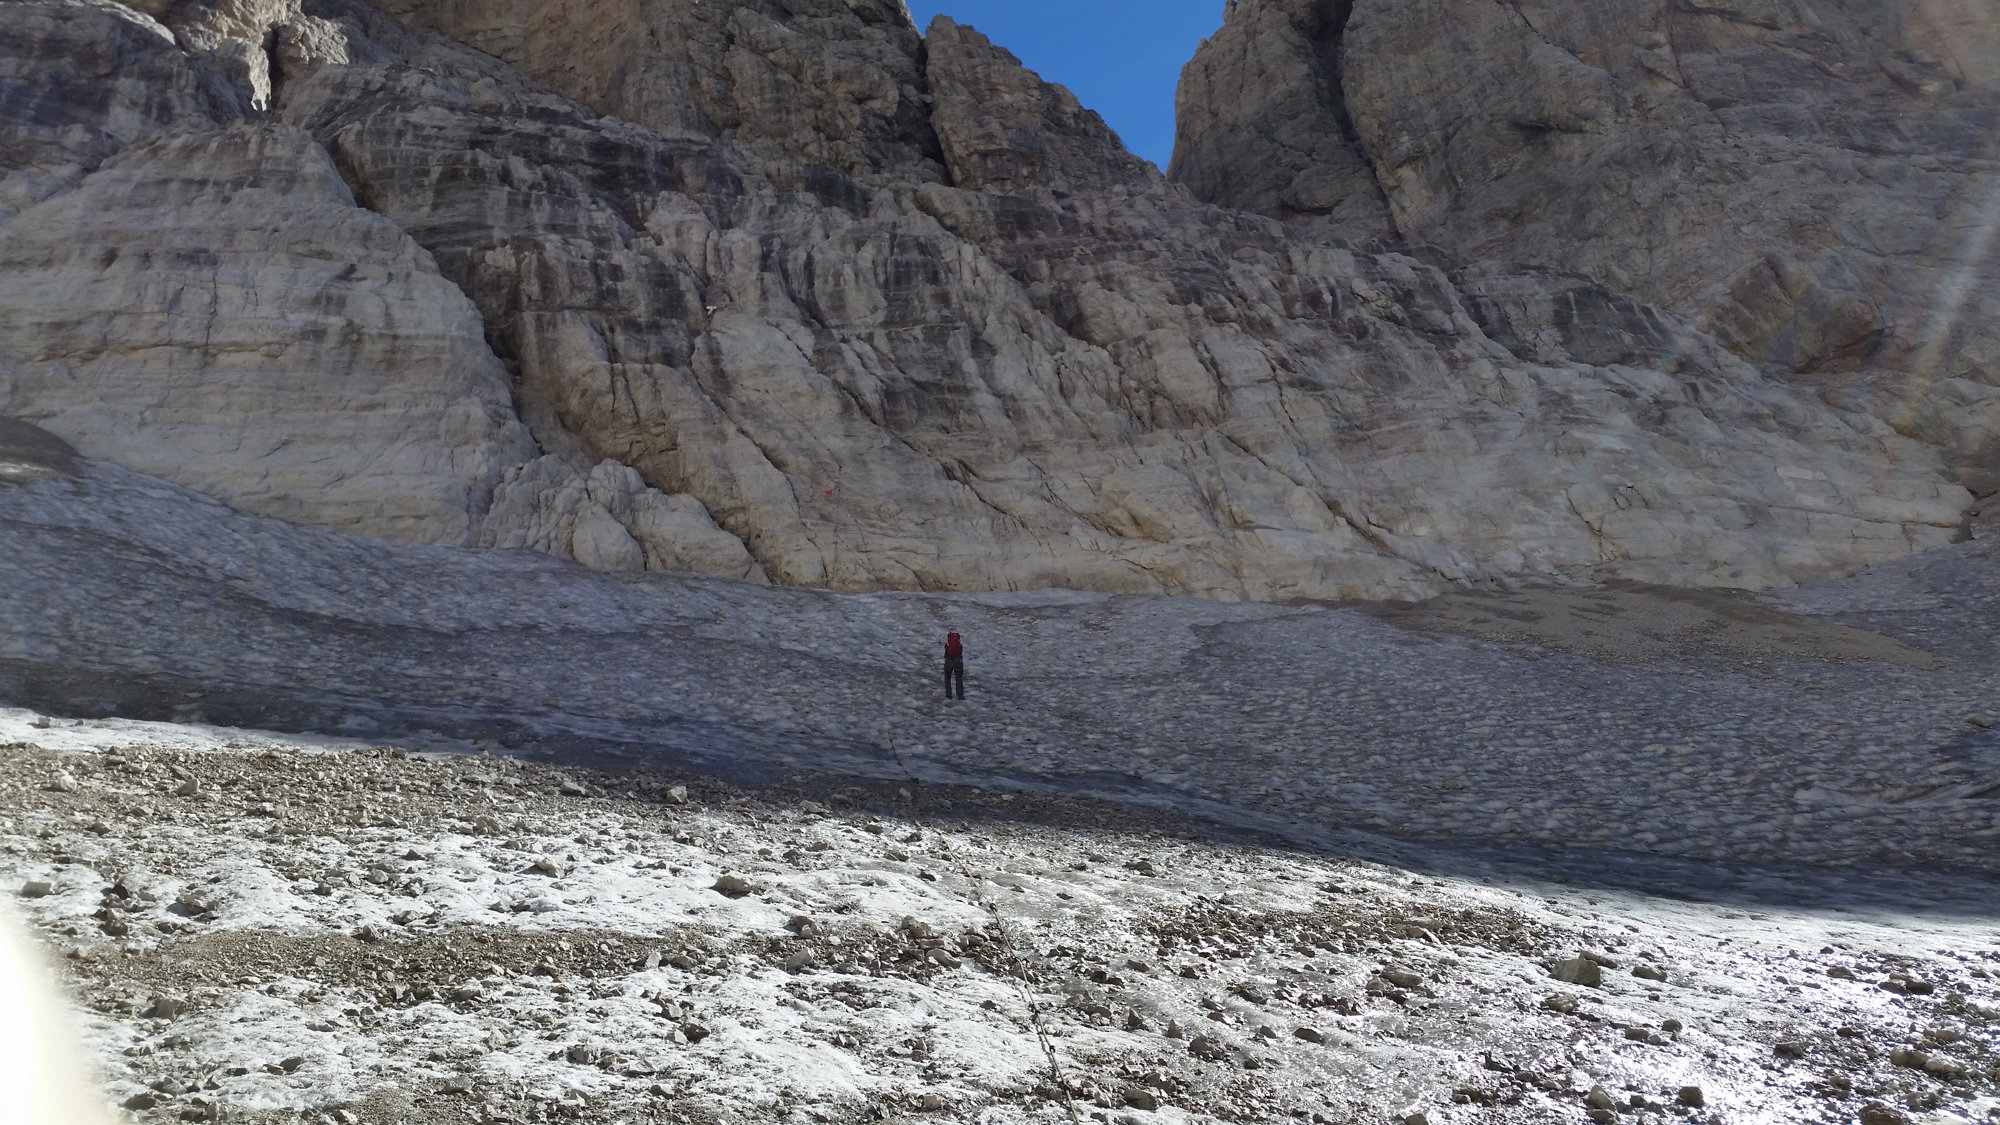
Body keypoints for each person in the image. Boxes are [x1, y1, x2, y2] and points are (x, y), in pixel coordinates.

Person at [942, 631, 965, 700]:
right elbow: (960, 652)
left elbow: (946, 652)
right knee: (959, 679)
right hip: (958, 662)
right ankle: (960, 696)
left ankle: (948, 695)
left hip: (949, 661)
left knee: (947, 678)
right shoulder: (959, 645)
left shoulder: (947, 644)